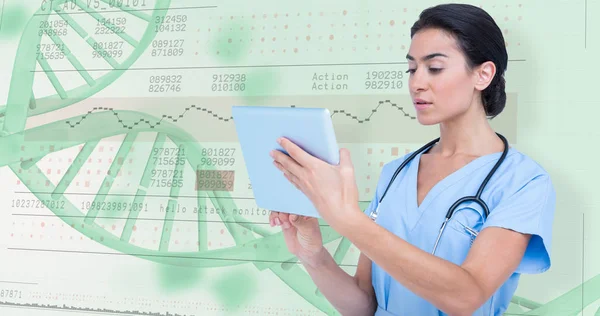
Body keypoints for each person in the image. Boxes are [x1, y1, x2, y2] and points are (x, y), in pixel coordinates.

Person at [269, 3, 556, 316]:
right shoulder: (397, 173)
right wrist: (313, 255)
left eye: (434, 68)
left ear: (483, 74)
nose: (417, 82)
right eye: (412, 69)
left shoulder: (523, 182)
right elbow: (365, 305)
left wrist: (346, 218)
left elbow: (466, 296)